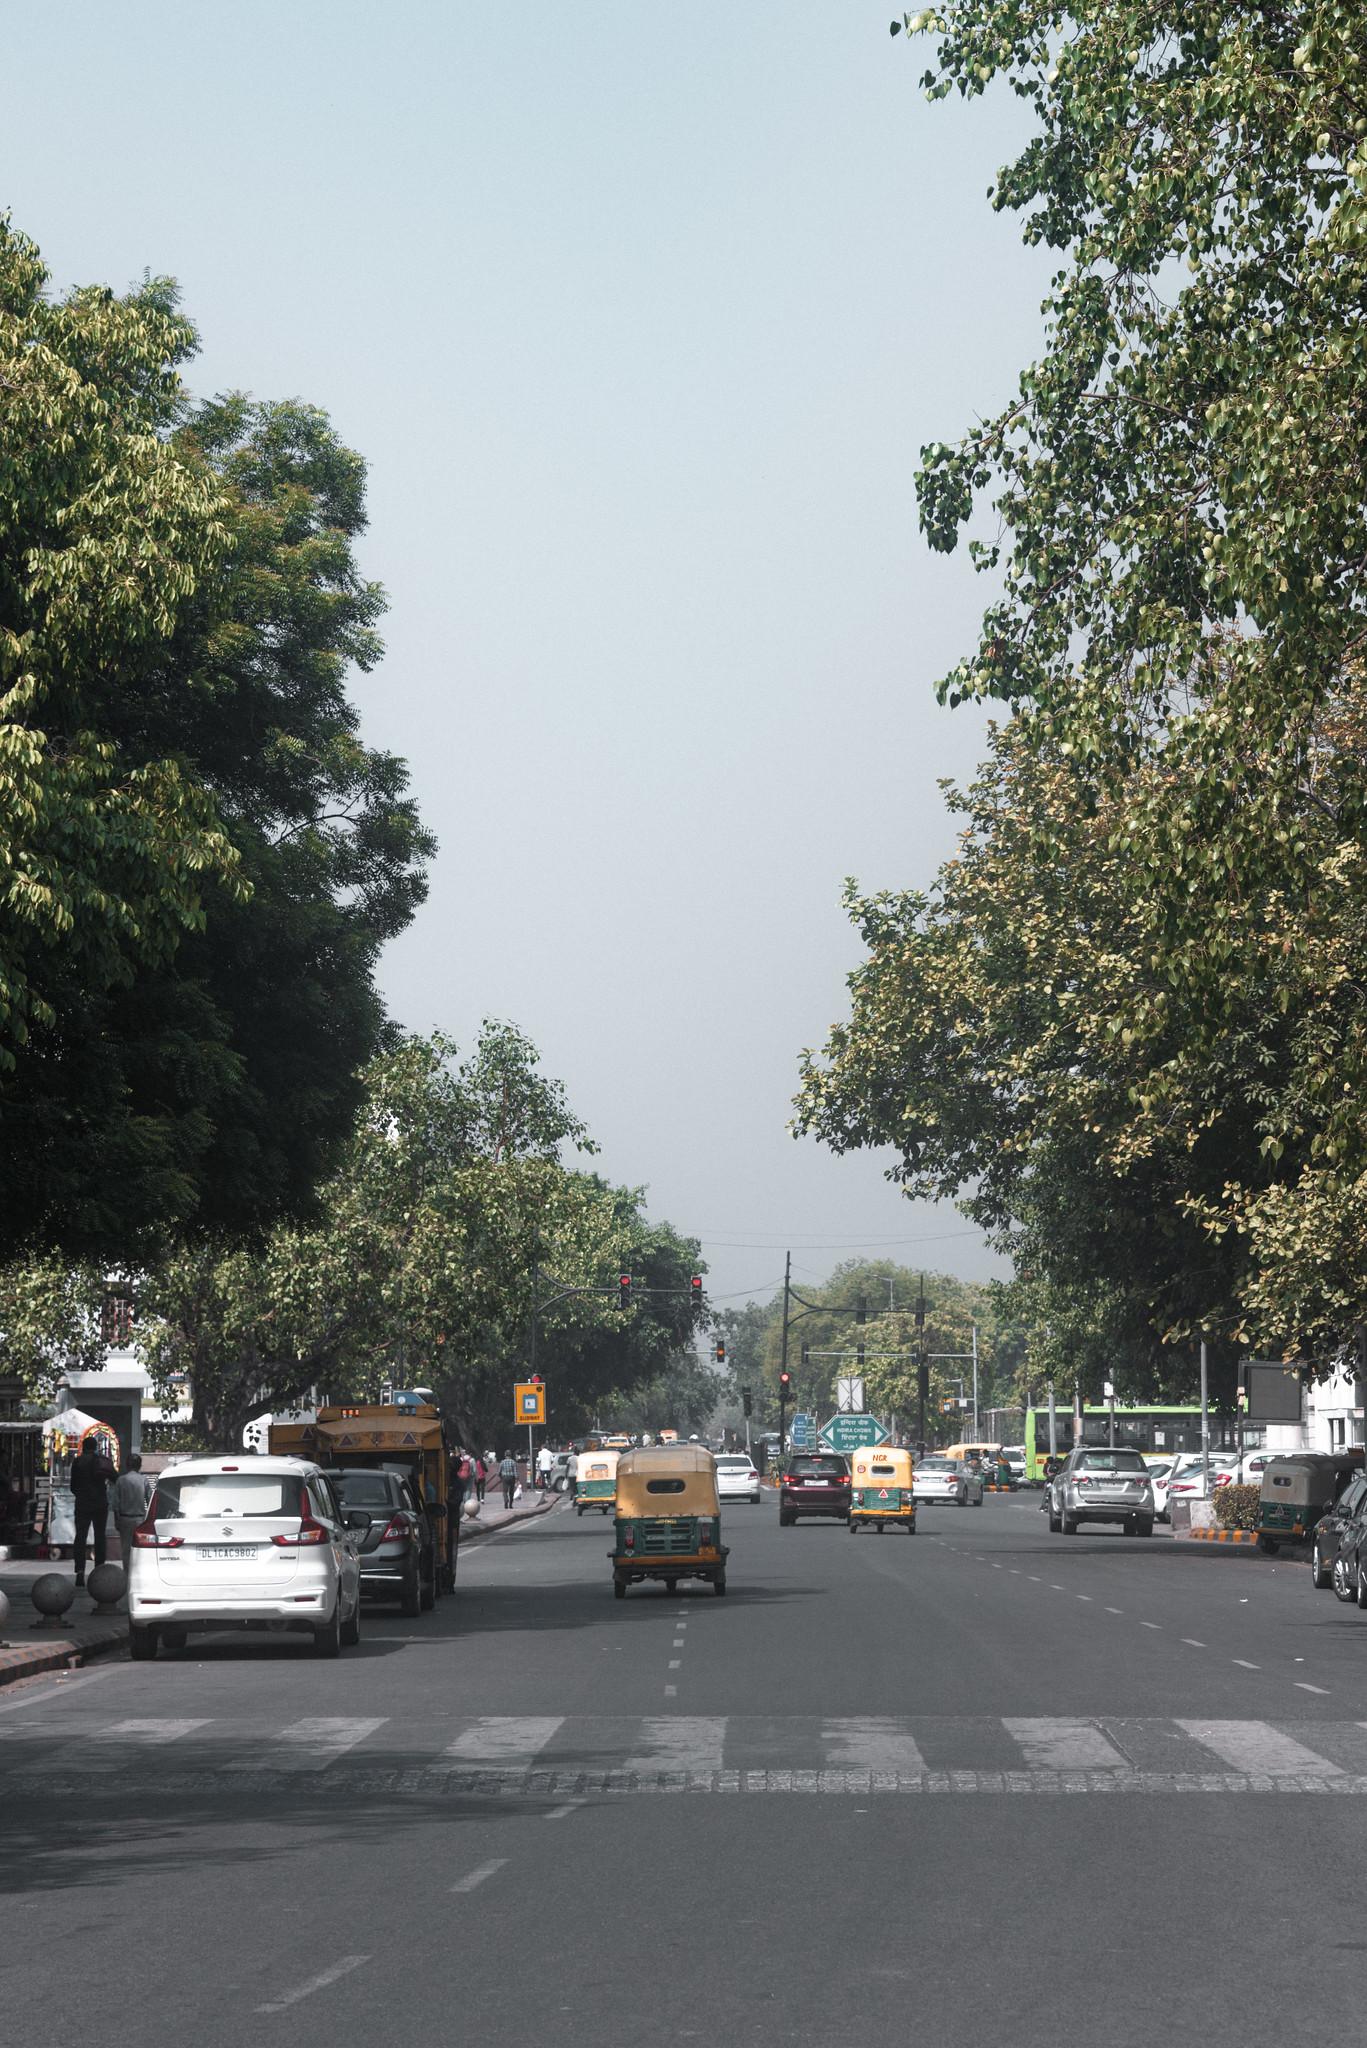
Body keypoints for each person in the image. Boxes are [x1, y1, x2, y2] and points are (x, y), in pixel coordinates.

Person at [69, 1437, 113, 1587]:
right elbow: (115, 1477)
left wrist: (82, 1495)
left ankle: (80, 1571)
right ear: (95, 1447)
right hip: (100, 1503)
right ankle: (99, 1570)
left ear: (83, 1446)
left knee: (80, 1537)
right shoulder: (101, 1460)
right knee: (100, 1536)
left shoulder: (77, 1462)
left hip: (82, 1504)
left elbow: (72, 1486)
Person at [111, 1454, 152, 1578]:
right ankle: (138, 1574)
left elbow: (115, 1504)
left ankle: (127, 1575)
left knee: (126, 1550)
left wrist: (116, 1521)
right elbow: (149, 1499)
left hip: (124, 1519)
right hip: (140, 1519)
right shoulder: (143, 1480)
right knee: (140, 1549)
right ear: (139, 1466)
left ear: (127, 1465)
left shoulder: (121, 1480)